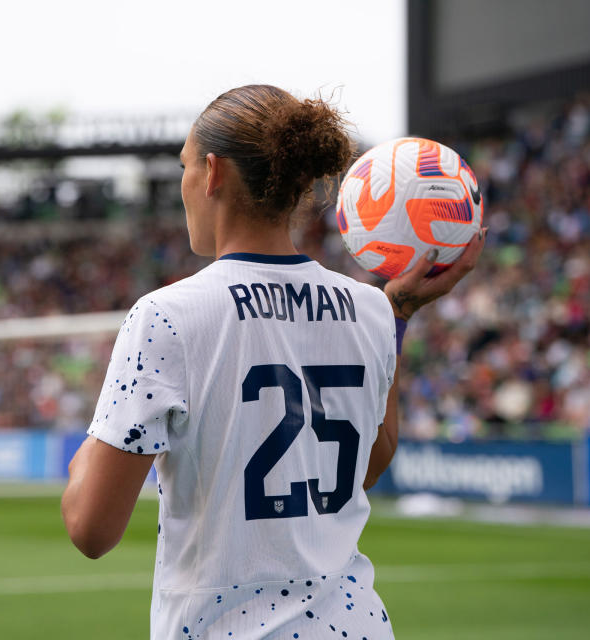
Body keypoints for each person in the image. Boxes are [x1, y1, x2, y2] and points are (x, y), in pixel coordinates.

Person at [61, 85, 485, 639]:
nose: (183, 187)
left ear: (212, 173)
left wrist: (90, 452)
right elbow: (370, 466)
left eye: (184, 168)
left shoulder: (167, 316)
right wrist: (399, 310)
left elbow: (90, 528)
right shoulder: (372, 309)